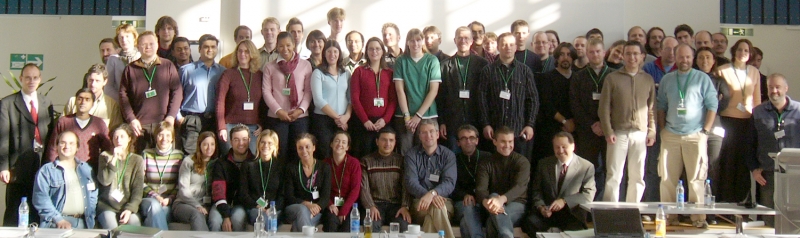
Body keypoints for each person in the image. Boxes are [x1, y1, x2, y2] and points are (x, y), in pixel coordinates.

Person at [656, 43, 718, 228]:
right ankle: (668, 217)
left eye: (688, 57)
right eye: (681, 57)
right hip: (671, 135)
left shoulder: (702, 78)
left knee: (696, 179)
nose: (684, 60)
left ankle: (698, 218)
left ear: (693, 58)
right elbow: (661, 106)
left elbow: (712, 105)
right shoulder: (667, 79)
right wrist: (662, 130)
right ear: (675, 57)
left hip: (695, 135)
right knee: (667, 178)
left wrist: (705, 131)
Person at [599, 41, 656, 203]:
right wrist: (608, 131)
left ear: (642, 56)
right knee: (614, 175)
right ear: (623, 56)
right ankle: (610, 213)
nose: (632, 57)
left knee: (638, 176)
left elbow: (651, 108)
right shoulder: (612, 78)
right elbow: (604, 108)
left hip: (640, 134)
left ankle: (633, 210)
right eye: (628, 53)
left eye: (635, 54)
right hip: (618, 133)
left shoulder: (648, 79)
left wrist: (652, 131)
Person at [0, 63, 55, 226]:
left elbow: (51, 134)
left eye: (35, 78)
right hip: (17, 166)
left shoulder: (46, 102)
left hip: (40, 164)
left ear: (40, 79)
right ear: (21, 79)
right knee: (14, 210)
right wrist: (3, 167)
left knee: (37, 209)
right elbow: (2, 137)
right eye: (28, 78)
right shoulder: (8, 103)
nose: (31, 81)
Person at [118, 31, 183, 151]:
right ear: (138, 46)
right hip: (139, 126)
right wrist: (131, 119)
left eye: (151, 43)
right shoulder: (130, 69)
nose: (148, 47)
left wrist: (171, 116)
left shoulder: (167, 65)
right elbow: (123, 96)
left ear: (157, 45)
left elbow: (177, 91)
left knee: (165, 162)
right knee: (141, 163)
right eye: (144, 44)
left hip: (164, 124)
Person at [477, 33, 539, 158]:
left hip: (519, 131)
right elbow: (482, 99)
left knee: (520, 169)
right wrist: (486, 124)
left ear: (516, 47)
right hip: (494, 131)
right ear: (498, 47)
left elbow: (533, 99)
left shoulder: (525, 71)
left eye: (511, 44)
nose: (508, 47)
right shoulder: (487, 71)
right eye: (504, 44)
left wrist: (530, 124)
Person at [524, 132, 596, 236]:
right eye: (557, 147)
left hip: (571, 215)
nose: (560, 151)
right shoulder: (544, 164)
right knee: (529, 222)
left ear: (573, 146)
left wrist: (564, 201)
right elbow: (536, 190)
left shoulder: (586, 166)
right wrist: (541, 206)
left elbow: (588, 195)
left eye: (564, 147)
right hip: (548, 215)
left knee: (575, 231)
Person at [751, 73, 799, 227]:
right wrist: (754, 168)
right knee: (769, 216)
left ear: (786, 88)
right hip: (767, 173)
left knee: (794, 215)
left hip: (794, 173)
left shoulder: (798, 111)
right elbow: (750, 143)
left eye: (777, 87)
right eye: (770, 87)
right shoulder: (758, 112)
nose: (774, 91)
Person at [717, 39, 761, 203]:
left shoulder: (754, 72)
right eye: (740, 50)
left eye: (746, 51)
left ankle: (742, 199)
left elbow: (756, 99)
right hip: (728, 120)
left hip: (747, 120)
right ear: (734, 51)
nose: (743, 53)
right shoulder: (723, 70)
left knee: (743, 162)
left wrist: (757, 119)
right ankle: (725, 200)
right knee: (728, 161)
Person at [569, 39, 613, 201]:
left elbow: (618, 104)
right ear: (587, 54)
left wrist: (605, 124)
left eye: (598, 51)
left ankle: (606, 204)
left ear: (604, 52)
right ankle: (589, 204)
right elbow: (575, 103)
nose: (595, 55)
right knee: (588, 168)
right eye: (591, 52)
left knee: (610, 168)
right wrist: (591, 124)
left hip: (609, 129)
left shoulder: (613, 75)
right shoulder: (578, 77)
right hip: (587, 130)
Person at [263, 32, 313, 162]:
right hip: (277, 117)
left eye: (288, 45)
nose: (285, 49)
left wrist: (300, 110)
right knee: (279, 154)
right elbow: (266, 92)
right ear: (276, 47)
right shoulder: (270, 67)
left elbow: (308, 91)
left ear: (294, 45)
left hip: (300, 117)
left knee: (299, 154)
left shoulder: (305, 65)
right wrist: (279, 111)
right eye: (281, 46)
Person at [694, 47, 730, 225]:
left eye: (708, 57)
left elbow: (725, 101)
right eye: (701, 57)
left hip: (715, 129)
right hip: (694, 128)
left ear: (714, 60)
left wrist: (711, 109)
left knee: (713, 167)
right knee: (695, 169)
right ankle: (694, 210)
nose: (704, 61)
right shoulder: (690, 78)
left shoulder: (719, 81)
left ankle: (711, 212)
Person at [438, 26, 489, 151]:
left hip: (476, 119)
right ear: (455, 40)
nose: (463, 41)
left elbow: (487, 95)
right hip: (452, 121)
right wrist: (442, 121)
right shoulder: (444, 65)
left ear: (472, 41)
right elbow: (440, 96)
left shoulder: (483, 64)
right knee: (454, 157)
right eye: (460, 38)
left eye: (466, 38)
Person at [32, 131, 98, 229]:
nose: (67, 146)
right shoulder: (47, 171)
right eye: (62, 142)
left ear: (77, 147)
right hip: (56, 224)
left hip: (84, 224)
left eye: (71, 143)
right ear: (57, 146)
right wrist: (59, 220)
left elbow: (93, 194)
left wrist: (91, 215)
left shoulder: (86, 169)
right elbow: (40, 198)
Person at [404, 119, 456, 238]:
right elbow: (411, 182)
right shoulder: (411, 155)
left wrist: (433, 194)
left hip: (444, 201)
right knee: (437, 209)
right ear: (419, 136)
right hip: (419, 203)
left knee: (435, 211)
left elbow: (449, 182)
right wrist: (427, 196)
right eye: (424, 132)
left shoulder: (448, 155)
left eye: (432, 131)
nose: (428, 135)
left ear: (437, 134)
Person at [392, 28, 441, 154]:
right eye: (412, 41)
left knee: (426, 151)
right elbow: (399, 90)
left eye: (418, 40)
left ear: (422, 41)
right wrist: (407, 117)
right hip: (404, 117)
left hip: (427, 115)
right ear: (407, 43)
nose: (415, 44)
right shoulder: (401, 61)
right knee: (405, 153)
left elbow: (433, 91)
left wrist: (418, 116)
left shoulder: (432, 61)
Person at [476, 127, 531, 238]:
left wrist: (501, 199)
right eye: (503, 141)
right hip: (491, 205)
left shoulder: (522, 161)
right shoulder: (486, 163)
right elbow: (481, 189)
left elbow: (520, 187)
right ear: (495, 142)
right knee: (493, 198)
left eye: (510, 141)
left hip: (517, 203)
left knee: (493, 221)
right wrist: (486, 203)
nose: (507, 145)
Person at [350, 37, 397, 158]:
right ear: (366, 52)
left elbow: (393, 100)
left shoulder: (389, 73)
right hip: (363, 123)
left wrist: (385, 120)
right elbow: (355, 98)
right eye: (371, 49)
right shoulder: (359, 71)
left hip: (383, 123)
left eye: (377, 49)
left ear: (382, 51)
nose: (374, 52)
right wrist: (365, 120)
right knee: (363, 155)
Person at [179, 34, 225, 155]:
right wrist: (179, 118)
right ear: (199, 49)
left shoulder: (223, 72)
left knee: (212, 155)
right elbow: (175, 96)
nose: (210, 50)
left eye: (213, 47)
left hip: (213, 119)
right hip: (191, 120)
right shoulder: (186, 71)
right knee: (190, 155)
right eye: (206, 47)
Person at [216, 40, 263, 154]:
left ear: (252, 54)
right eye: (240, 51)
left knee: (250, 162)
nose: (242, 54)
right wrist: (221, 127)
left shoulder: (259, 75)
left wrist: (262, 124)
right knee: (230, 162)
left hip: (253, 128)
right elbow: (220, 101)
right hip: (230, 127)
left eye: (246, 51)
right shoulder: (228, 74)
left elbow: (263, 104)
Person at [46, 88, 112, 169]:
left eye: (87, 99)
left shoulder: (99, 123)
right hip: (66, 169)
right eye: (80, 99)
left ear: (92, 103)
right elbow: (53, 148)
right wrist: (52, 169)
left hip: (91, 171)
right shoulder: (64, 122)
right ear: (75, 102)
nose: (83, 102)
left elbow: (107, 148)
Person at [96, 124, 145, 229]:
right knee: (113, 229)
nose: (118, 140)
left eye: (122, 136)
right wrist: (114, 159)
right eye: (115, 137)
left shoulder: (137, 160)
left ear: (129, 139)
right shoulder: (105, 156)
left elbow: (138, 190)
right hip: (107, 206)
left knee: (134, 224)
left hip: (127, 206)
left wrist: (129, 209)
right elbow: (105, 181)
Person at [534, 43, 576, 163]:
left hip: (574, 129)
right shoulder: (546, 78)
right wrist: (564, 121)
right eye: (562, 54)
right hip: (551, 129)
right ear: (557, 57)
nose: (565, 58)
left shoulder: (578, 78)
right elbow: (546, 104)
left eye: (569, 55)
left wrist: (573, 122)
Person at [310, 40, 352, 160]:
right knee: (326, 153)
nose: (332, 54)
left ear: (339, 54)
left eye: (335, 51)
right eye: (329, 51)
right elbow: (318, 100)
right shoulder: (318, 73)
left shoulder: (346, 73)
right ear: (324, 53)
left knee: (342, 154)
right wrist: (338, 118)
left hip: (344, 120)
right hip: (323, 120)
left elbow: (350, 98)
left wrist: (347, 116)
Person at [209, 125, 255, 231]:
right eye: (236, 140)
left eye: (244, 139)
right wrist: (226, 216)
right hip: (222, 203)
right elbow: (218, 191)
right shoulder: (221, 163)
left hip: (242, 205)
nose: (241, 143)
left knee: (237, 220)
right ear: (230, 141)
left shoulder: (254, 163)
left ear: (249, 140)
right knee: (215, 221)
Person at [284, 133, 333, 231]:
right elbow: (289, 196)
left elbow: (325, 196)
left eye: (307, 147)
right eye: (300, 148)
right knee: (302, 211)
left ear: (314, 148)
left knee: (298, 223)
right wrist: (307, 204)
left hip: (316, 210)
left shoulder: (324, 167)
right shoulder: (291, 168)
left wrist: (317, 207)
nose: (304, 151)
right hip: (294, 208)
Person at [139, 122, 183, 230]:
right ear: (156, 137)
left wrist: (169, 199)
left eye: (168, 135)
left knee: (161, 213)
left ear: (172, 138)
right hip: (149, 200)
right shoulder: (146, 154)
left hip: (168, 202)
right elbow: (140, 182)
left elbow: (180, 183)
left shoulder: (179, 155)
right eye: (160, 135)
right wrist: (155, 196)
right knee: (155, 207)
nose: (164, 138)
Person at [172, 132, 218, 231]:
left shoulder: (216, 163)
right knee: (197, 214)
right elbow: (183, 190)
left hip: (206, 204)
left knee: (215, 218)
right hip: (184, 204)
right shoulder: (189, 161)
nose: (209, 147)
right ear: (199, 145)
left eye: (212, 144)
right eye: (205, 144)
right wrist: (197, 205)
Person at [452, 125, 492, 238]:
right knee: (468, 206)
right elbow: (451, 186)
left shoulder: (487, 157)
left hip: (483, 203)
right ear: (458, 142)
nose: (468, 141)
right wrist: (464, 195)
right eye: (464, 138)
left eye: (471, 138)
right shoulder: (453, 159)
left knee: (465, 224)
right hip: (462, 203)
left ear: (477, 140)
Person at [240, 130, 284, 230]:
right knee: (263, 218)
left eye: (270, 143)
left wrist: (272, 208)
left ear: (275, 146)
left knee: (270, 218)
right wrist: (256, 205)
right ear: (258, 144)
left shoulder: (280, 166)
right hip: (254, 208)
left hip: (274, 209)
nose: (265, 146)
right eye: (262, 142)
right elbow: (243, 193)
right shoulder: (248, 165)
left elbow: (283, 195)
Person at [322, 132, 362, 232]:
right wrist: (329, 204)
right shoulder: (324, 164)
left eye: (344, 142)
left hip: (350, 206)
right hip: (330, 206)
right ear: (331, 144)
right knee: (331, 223)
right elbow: (321, 188)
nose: (340, 144)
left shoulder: (354, 163)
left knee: (348, 227)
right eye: (337, 141)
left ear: (347, 147)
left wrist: (344, 210)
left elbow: (355, 190)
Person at [65, 64, 123, 130]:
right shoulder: (73, 101)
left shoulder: (112, 105)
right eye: (91, 80)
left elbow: (115, 131)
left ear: (105, 81)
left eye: (97, 81)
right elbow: (62, 125)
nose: (93, 84)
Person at [106, 23, 141, 102]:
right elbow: (108, 87)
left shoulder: (141, 56)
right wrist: (123, 100)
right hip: (121, 103)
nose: (124, 40)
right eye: (121, 37)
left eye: (127, 36)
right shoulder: (113, 59)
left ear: (134, 37)